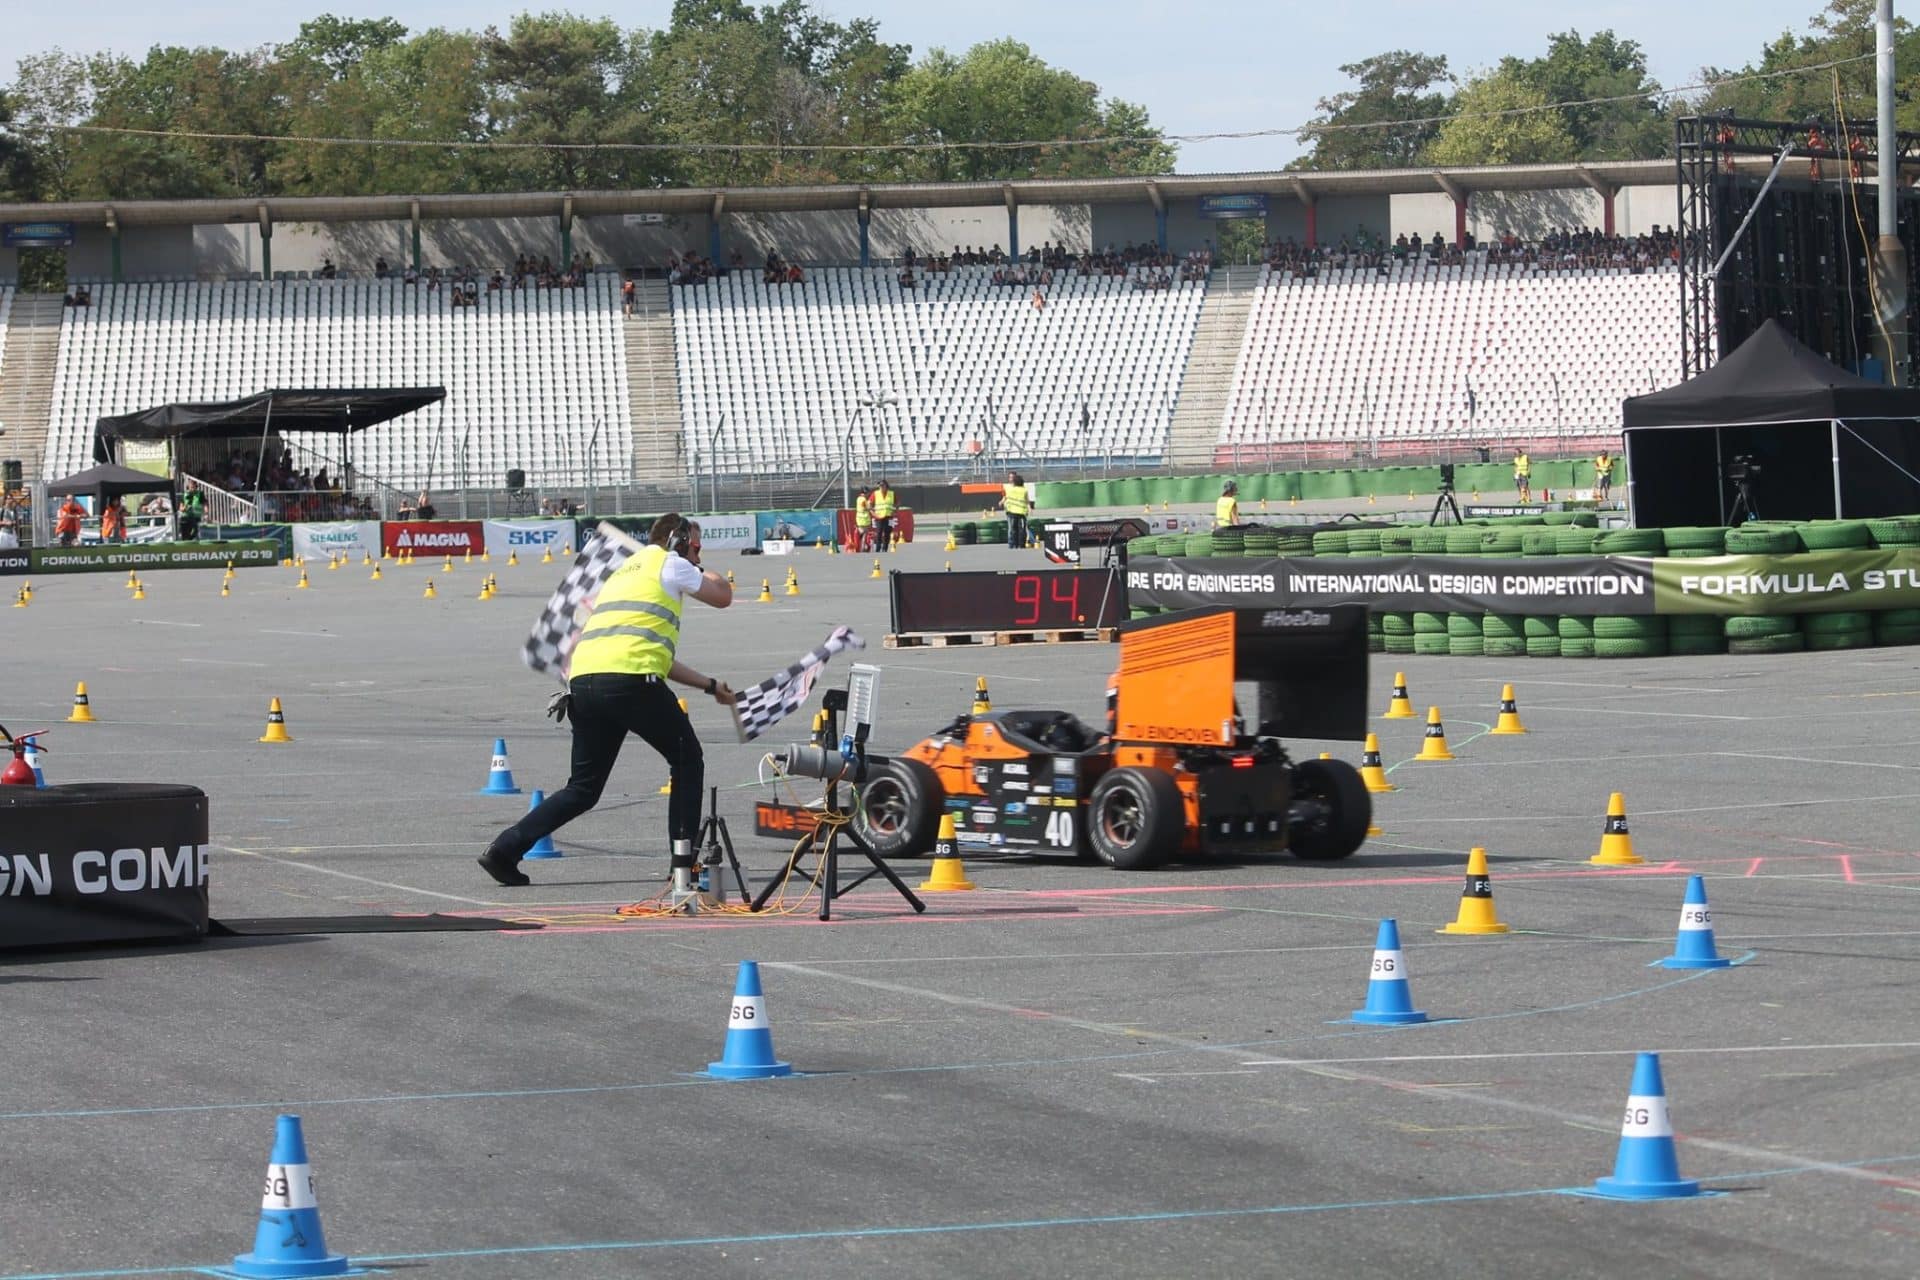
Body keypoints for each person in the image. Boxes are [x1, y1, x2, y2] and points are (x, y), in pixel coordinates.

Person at [478, 514, 735, 888]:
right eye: (695, 545)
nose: (697, 554)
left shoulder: (623, 573)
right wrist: (698, 564)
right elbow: (723, 596)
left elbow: (657, 656)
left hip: (587, 681)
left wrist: (710, 685)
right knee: (687, 760)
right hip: (630, 680)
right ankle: (683, 865)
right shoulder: (670, 563)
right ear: (678, 541)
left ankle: (504, 850)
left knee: (582, 788)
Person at [1000, 471, 1031, 549]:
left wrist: (1002, 503)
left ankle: (1015, 544)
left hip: (1012, 511)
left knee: (1014, 529)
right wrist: (1029, 509)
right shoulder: (1024, 490)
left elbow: (1006, 497)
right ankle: (1019, 544)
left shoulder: (1009, 489)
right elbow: (1027, 501)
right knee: (1020, 529)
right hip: (1020, 512)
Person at [870, 478, 897, 552]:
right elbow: (870, 505)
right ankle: (878, 548)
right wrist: (873, 513)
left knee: (887, 532)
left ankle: (885, 548)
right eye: (880, 486)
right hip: (879, 517)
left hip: (889, 517)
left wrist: (895, 511)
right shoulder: (875, 493)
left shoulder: (891, 494)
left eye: (882, 485)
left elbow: (897, 503)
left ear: (886, 486)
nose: (881, 487)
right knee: (879, 532)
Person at [854, 486, 873, 552]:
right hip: (864, 519)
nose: (868, 494)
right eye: (868, 493)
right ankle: (864, 547)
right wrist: (871, 508)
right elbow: (865, 507)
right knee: (864, 533)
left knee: (862, 533)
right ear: (866, 492)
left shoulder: (858, 498)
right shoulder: (864, 500)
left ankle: (861, 546)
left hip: (859, 518)